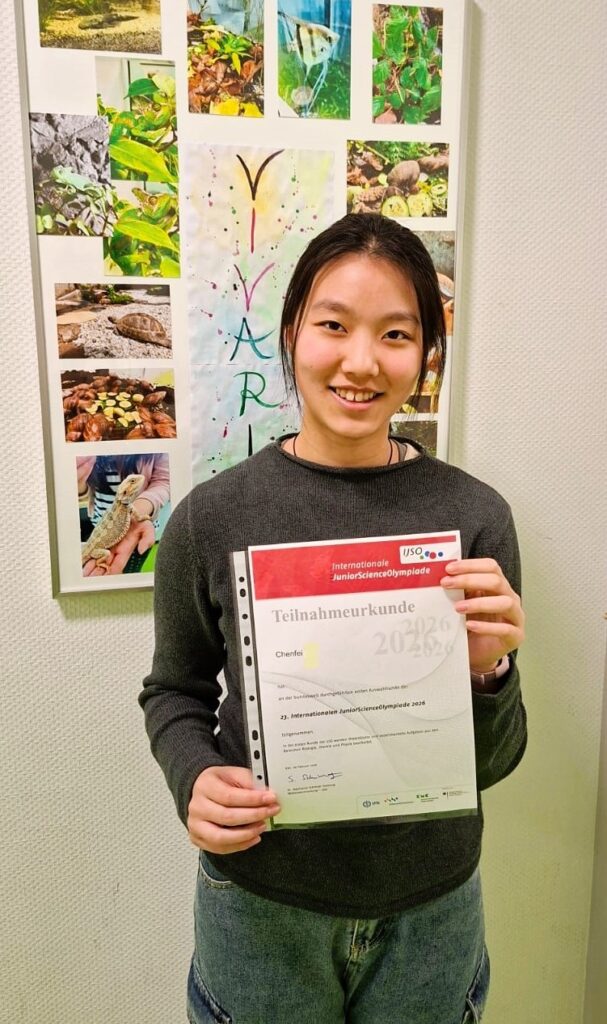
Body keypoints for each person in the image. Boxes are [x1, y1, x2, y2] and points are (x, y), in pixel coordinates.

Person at [140, 213, 526, 1024]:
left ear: (426, 355)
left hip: (432, 906)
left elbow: (491, 763)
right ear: (290, 334)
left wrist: (489, 672)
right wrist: (194, 776)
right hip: (261, 899)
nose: (360, 362)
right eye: (333, 325)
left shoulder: (473, 518)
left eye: (395, 334)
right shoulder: (211, 518)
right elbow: (174, 690)